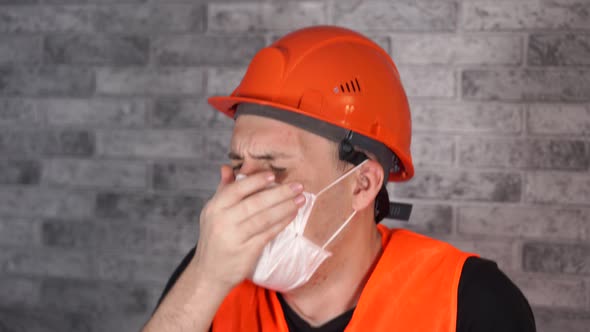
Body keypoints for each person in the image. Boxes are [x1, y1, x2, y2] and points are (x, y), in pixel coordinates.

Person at [142, 26, 536, 332]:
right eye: (239, 166)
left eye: (274, 168)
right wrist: (206, 277)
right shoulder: (210, 279)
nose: (244, 192)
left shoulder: (468, 302)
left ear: (363, 184)